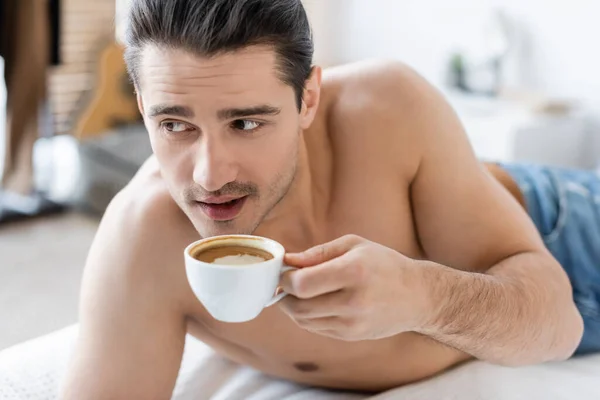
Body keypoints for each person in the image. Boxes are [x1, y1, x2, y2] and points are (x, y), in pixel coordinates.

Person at [61, 0, 599, 398]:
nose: (208, 175)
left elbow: (559, 322)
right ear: (142, 103)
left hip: (563, 230)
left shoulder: (387, 108)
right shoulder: (141, 238)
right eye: (174, 123)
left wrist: (423, 295)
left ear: (307, 99)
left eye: (246, 122)